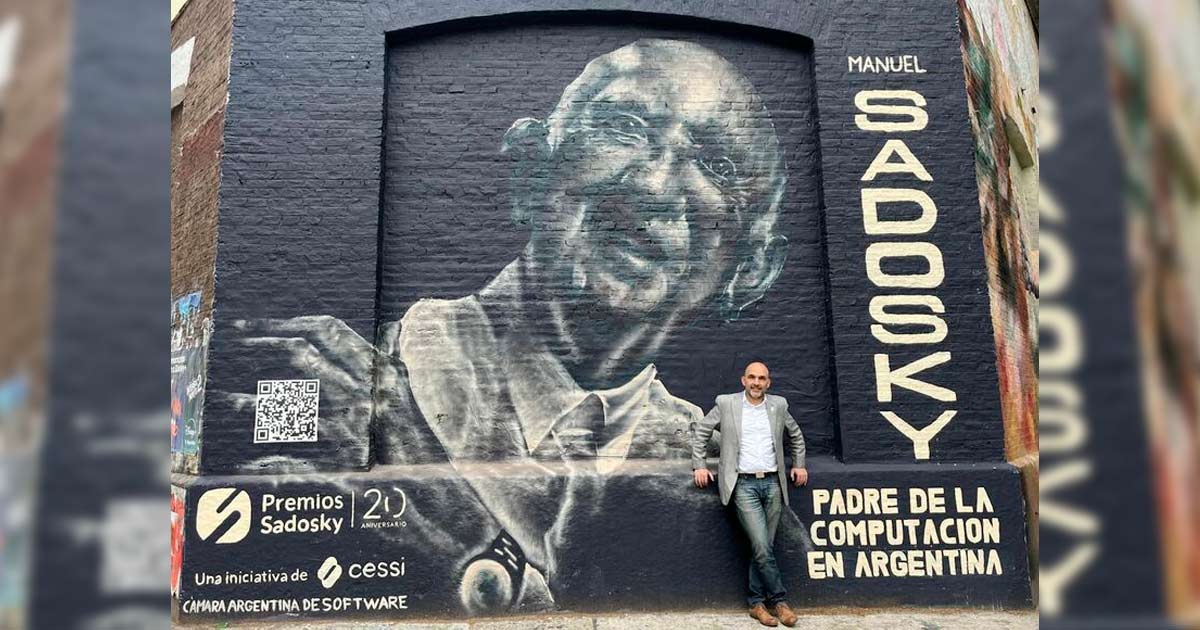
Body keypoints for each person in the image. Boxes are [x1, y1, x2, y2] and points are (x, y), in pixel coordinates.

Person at [224, 38, 792, 613]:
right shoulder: (327, 382)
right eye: (622, 125)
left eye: (716, 165)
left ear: (751, 270)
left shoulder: (700, 467)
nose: (652, 187)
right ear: (530, 172)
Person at [691, 361, 807, 627]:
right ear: (743, 380)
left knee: (761, 547)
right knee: (763, 546)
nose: (757, 382)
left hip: (773, 484)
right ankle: (780, 601)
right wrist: (699, 465)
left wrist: (799, 464)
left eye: (762, 378)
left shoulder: (779, 405)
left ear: (769, 383)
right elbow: (702, 431)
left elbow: (796, 435)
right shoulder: (727, 403)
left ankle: (756, 604)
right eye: (752, 377)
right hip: (743, 485)